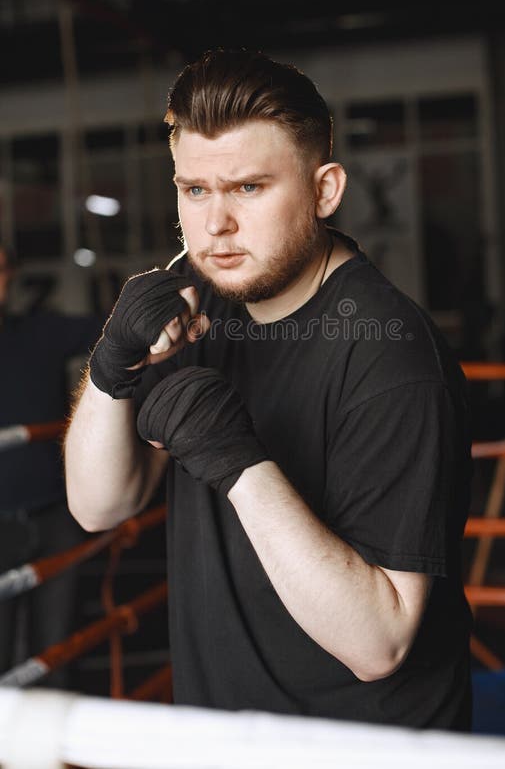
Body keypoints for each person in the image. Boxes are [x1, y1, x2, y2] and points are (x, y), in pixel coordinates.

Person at [65, 50, 473, 729]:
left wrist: (238, 463)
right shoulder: (206, 308)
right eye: (195, 190)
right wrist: (112, 367)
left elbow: (381, 641)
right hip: (223, 735)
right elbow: (97, 505)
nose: (215, 224)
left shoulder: (390, 356)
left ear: (325, 190)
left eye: (249, 188)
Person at [0, 241, 102, 685]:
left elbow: (119, 328)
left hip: (53, 512)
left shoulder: (39, 333)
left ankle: (48, 751)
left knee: (55, 650)